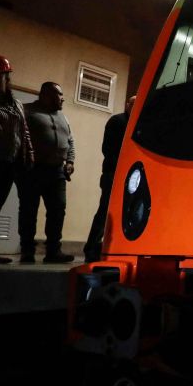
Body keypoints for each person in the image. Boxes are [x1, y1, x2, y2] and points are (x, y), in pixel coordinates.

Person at [19, 82, 75, 263]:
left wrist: (70, 161)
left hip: (57, 172)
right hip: (33, 171)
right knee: (29, 211)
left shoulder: (63, 118)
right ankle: (27, 251)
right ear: (45, 95)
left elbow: (70, 141)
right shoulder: (27, 111)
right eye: (59, 94)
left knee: (58, 211)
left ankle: (53, 252)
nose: (62, 98)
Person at [83, 95, 136, 262]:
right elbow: (108, 149)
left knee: (122, 213)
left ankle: (107, 249)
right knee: (105, 212)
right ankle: (91, 249)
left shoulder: (134, 123)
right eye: (133, 104)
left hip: (127, 175)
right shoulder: (118, 121)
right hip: (114, 174)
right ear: (127, 104)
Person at [0, 55, 34, 264]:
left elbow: (24, 131)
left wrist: (29, 153)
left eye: (6, 76)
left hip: (11, 162)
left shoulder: (16, 104)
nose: (6, 80)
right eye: (4, 76)